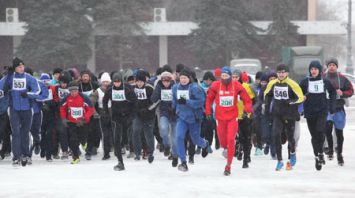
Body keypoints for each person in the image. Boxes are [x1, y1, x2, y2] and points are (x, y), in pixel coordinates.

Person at [205, 66, 252, 175]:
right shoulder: (216, 85)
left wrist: (246, 110)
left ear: (230, 77)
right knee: (223, 142)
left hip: (232, 117)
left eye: (226, 76)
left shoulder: (236, 85)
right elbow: (209, 99)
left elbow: (247, 99)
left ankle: (228, 166)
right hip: (220, 118)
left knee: (231, 139)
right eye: (222, 76)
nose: (224, 78)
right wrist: (208, 112)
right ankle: (227, 149)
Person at [1, 57, 41, 166]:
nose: (22, 68)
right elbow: (1, 89)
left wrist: (28, 94)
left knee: (25, 132)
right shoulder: (10, 77)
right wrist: (8, 75)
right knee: (15, 133)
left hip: (27, 109)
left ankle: (26, 155)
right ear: (15, 68)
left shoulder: (28, 77)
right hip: (14, 109)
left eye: (23, 66)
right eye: (19, 66)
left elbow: (37, 90)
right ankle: (16, 156)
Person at [264, 64, 304, 171]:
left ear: (287, 73)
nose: (281, 74)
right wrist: (267, 105)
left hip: (289, 115)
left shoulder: (292, 84)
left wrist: (290, 101)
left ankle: (292, 154)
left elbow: (300, 97)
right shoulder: (272, 83)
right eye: (279, 72)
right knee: (276, 135)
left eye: (283, 72)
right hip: (277, 114)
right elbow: (266, 94)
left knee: (290, 137)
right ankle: (280, 161)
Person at [299, 60, 336, 170]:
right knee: (314, 136)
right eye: (312, 69)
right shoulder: (305, 81)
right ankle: (317, 155)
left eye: (315, 69)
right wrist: (301, 98)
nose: (313, 71)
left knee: (320, 132)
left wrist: (332, 107)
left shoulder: (325, 81)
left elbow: (333, 93)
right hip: (310, 112)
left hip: (322, 111)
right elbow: (297, 93)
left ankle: (320, 153)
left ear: (319, 70)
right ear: (310, 70)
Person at [172, 68, 209, 172]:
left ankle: (205, 144)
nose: (183, 80)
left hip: (194, 118)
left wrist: (187, 101)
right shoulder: (175, 88)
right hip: (181, 118)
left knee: (195, 139)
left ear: (189, 78)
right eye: (181, 78)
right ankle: (183, 162)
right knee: (179, 137)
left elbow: (201, 102)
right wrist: (173, 108)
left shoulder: (195, 88)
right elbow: (174, 100)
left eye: (185, 78)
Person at [103, 72, 136, 170]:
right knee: (116, 139)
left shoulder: (127, 88)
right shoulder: (110, 89)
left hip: (127, 115)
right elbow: (105, 101)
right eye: (115, 82)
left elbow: (135, 101)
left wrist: (132, 115)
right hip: (116, 116)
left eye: (118, 82)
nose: (117, 84)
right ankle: (120, 162)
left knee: (126, 137)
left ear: (121, 81)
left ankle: (130, 149)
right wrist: (106, 112)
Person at [324, 58, 354, 166]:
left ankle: (339, 154)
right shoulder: (322, 78)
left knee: (339, 133)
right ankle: (330, 150)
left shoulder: (342, 79)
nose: (331, 67)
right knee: (327, 128)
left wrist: (343, 93)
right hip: (327, 109)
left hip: (339, 109)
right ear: (327, 66)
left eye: (333, 65)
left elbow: (351, 91)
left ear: (337, 67)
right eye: (330, 65)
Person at [60, 81, 94, 164]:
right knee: (72, 140)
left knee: (83, 136)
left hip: (83, 122)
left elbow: (91, 109)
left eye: (75, 91)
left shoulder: (84, 97)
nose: (73, 93)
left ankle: (83, 142)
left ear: (78, 90)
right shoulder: (67, 98)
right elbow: (62, 108)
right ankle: (76, 157)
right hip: (72, 121)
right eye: (71, 91)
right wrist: (64, 118)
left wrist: (84, 118)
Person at [151, 71, 178, 166]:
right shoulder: (159, 86)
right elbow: (153, 99)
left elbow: (179, 99)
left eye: (168, 81)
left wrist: (174, 107)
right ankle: (166, 145)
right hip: (164, 112)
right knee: (162, 129)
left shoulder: (175, 86)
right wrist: (158, 90)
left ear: (171, 80)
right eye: (164, 81)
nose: (166, 83)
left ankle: (174, 155)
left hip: (174, 114)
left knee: (174, 137)